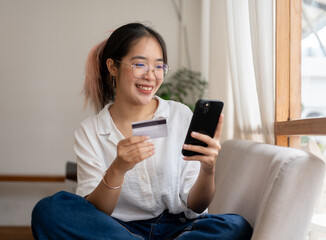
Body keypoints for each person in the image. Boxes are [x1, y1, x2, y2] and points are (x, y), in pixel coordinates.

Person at [31, 22, 252, 240]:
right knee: (49, 211)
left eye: (159, 66)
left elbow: (196, 205)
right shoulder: (90, 131)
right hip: (118, 231)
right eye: (140, 65)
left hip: (178, 229)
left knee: (234, 226)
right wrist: (117, 169)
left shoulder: (179, 115)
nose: (151, 75)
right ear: (112, 67)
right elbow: (96, 212)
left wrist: (207, 169)